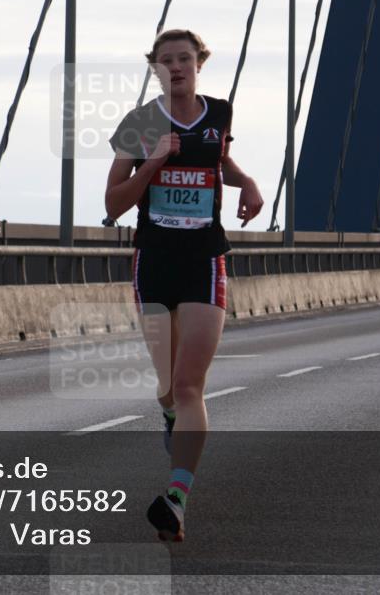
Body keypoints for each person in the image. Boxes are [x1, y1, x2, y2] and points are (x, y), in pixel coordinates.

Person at [104, 29, 263, 542]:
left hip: (203, 260)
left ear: (200, 64)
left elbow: (221, 163)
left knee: (191, 384)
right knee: (170, 388)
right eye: (167, 60)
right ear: (155, 67)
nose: (177, 67)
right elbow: (113, 204)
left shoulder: (220, 113)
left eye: (185, 59)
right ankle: (169, 413)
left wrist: (251, 183)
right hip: (154, 263)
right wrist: (152, 163)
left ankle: (175, 498)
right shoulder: (140, 123)